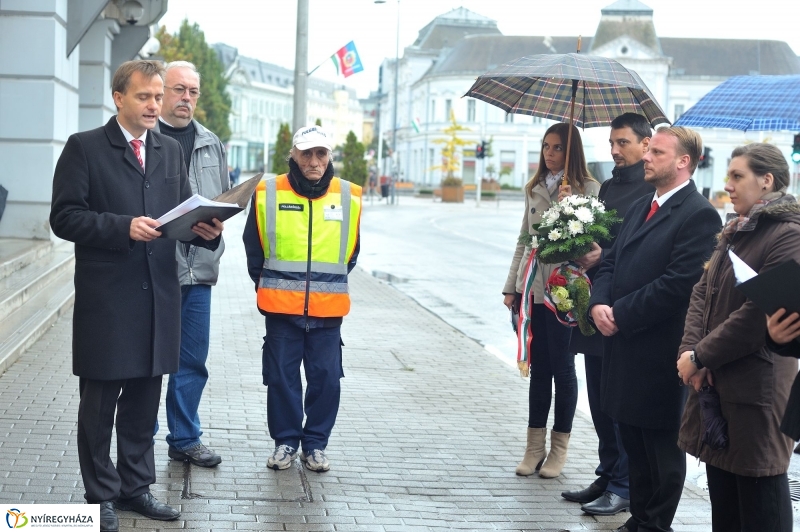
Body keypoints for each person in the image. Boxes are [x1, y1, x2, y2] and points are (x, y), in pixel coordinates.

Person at [49, 60, 223, 532]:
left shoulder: (167, 150)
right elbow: (64, 218)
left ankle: (135, 487)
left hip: (158, 295)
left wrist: (204, 230)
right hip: (108, 298)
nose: (153, 105)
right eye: (144, 96)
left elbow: (180, 213)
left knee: (145, 400)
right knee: (100, 404)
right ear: (119, 98)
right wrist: (121, 227)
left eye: (157, 96)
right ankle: (100, 495)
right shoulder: (84, 148)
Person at [588, 126, 720, 532]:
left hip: (658, 350)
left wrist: (620, 313)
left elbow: (678, 285)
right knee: (632, 440)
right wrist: (598, 304)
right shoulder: (645, 203)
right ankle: (639, 518)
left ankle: (655, 523)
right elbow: (610, 262)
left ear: (683, 161)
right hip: (622, 346)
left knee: (659, 446)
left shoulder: (699, 214)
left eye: (657, 152)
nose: (646, 157)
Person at [677, 143, 800, 532]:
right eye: (728, 175)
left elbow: (757, 314)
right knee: (726, 508)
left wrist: (701, 357)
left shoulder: (787, 234)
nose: (727, 184)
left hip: (756, 389)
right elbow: (702, 290)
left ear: (766, 181)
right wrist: (691, 352)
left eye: (737, 176)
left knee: (761, 503)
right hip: (719, 385)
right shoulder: (736, 229)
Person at [243, 125, 362, 473]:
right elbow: (254, 248)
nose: (314, 161)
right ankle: (285, 442)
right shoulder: (267, 192)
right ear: (293, 154)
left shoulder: (349, 196)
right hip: (280, 307)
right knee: (281, 377)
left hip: (328, 308)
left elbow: (351, 253)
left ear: (329, 156)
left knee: (326, 378)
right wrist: (269, 285)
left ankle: (315, 445)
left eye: (320, 153)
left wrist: (325, 284)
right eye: (306, 153)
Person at [561, 113, 655, 516]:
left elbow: (640, 248)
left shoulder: (649, 190)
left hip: (621, 309)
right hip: (595, 301)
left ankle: (624, 484)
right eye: (612, 143)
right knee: (598, 399)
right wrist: (570, 217)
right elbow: (593, 234)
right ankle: (607, 471)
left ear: (645, 144)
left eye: (622, 142)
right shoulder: (610, 186)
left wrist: (606, 254)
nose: (614, 150)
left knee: (618, 404)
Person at [503, 122, 601, 479]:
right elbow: (523, 240)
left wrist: (569, 207)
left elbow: (590, 244)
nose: (549, 153)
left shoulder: (589, 189)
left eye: (557, 147)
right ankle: (533, 449)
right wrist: (511, 286)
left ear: (571, 151)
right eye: (546, 146)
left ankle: (559, 450)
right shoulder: (534, 188)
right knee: (538, 370)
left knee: (563, 368)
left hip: (565, 290)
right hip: (533, 289)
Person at [155, 60, 229, 468]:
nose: (186, 98)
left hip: (198, 271)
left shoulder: (210, 142)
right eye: (178, 89)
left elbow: (218, 201)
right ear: (161, 90)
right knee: (146, 361)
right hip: (152, 271)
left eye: (193, 92)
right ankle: (137, 443)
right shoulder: (145, 139)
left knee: (192, 360)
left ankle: (185, 438)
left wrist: (215, 233)